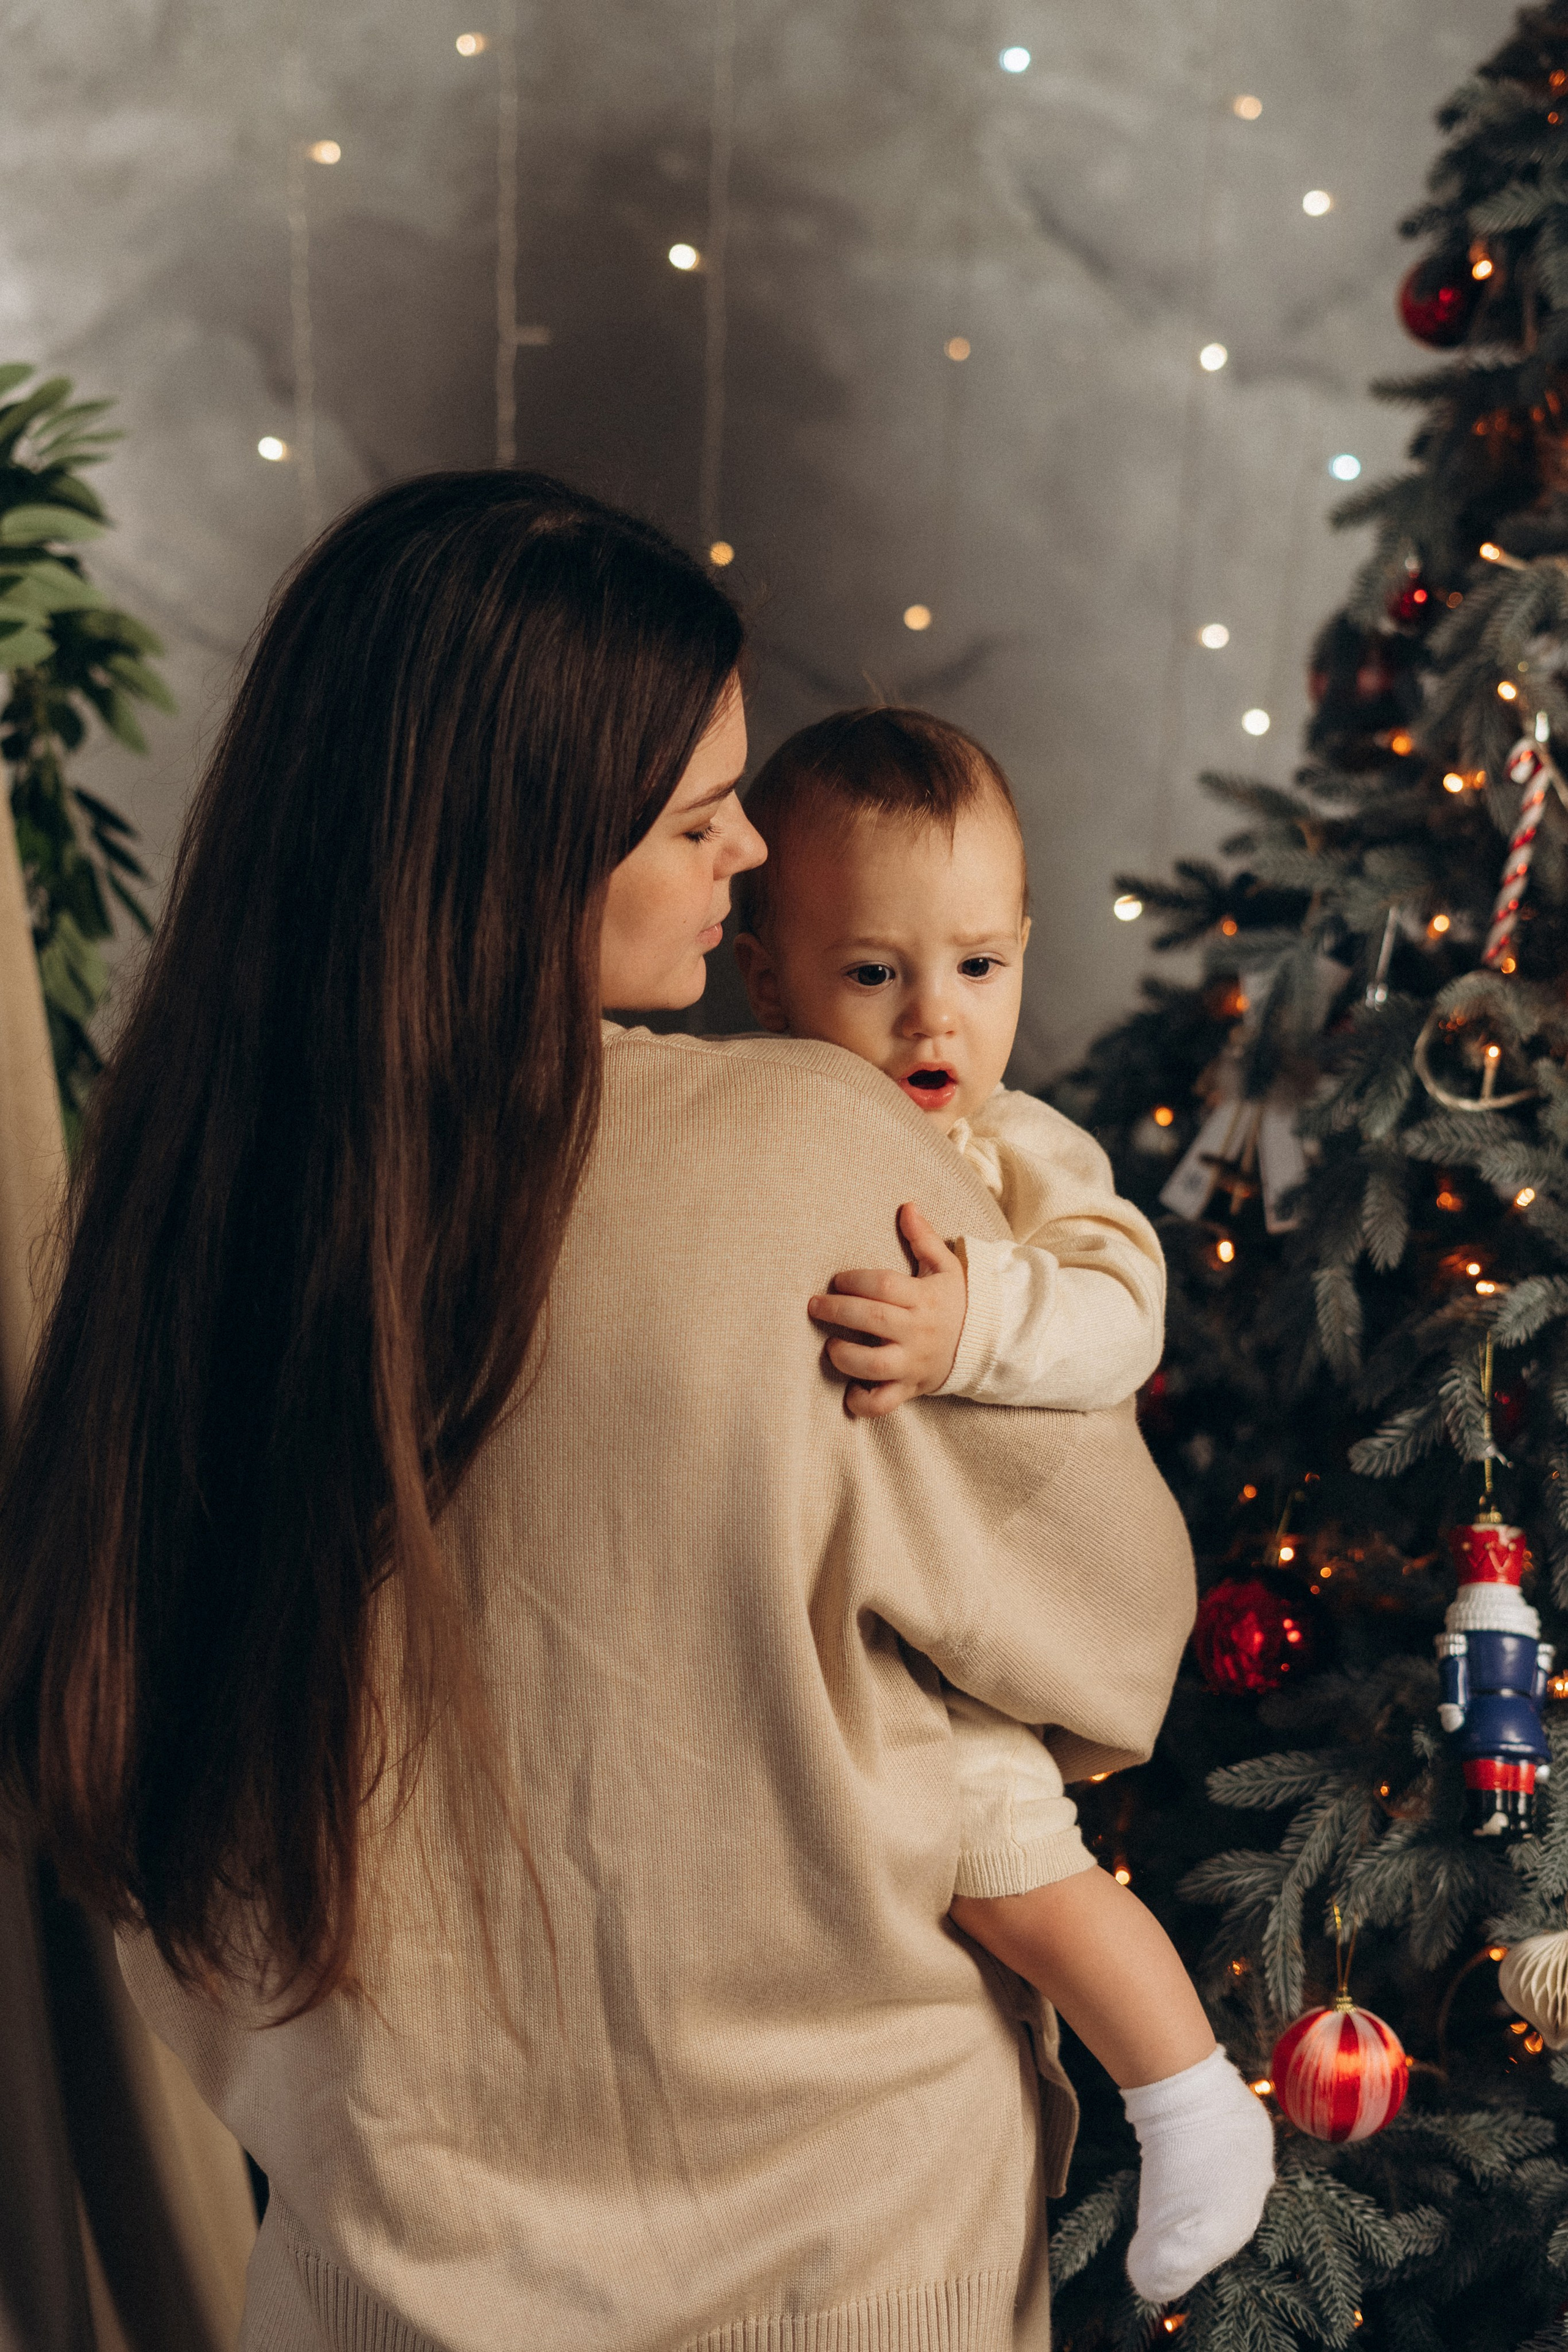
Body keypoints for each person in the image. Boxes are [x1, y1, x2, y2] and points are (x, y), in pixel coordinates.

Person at [0, 472, 1196, 2351]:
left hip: (371, 2260)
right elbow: (1116, 1637)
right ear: (532, 845)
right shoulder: (816, 1156)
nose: (744, 870)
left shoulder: (195, 1214)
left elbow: (124, 1753)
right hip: (843, 2258)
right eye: (702, 818)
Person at [732, 706, 1275, 2301]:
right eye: (873, 972)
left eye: (979, 967)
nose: (934, 1022)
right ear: (765, 971)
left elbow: (1122, 1310)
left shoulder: (1023, 1153)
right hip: (805, 1599)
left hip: (969, 1624)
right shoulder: (745, 1116)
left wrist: (974, 1321)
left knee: (1007, 1857)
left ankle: (1186, 2095)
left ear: (1027, 949)